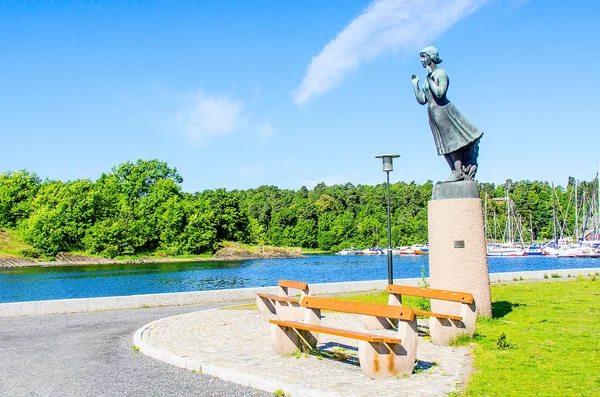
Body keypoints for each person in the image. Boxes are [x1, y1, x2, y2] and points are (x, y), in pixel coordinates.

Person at [411, 46, 483, 182]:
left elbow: (440, 93)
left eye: (423, 56)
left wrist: (431, 78)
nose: (421, 60)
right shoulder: (427, 80)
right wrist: (415, 85)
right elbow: (422, 100)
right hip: (433, 115)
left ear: (430, 57)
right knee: (443, 145)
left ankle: (458, 171)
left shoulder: (440, 73)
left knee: (452, 142)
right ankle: (454, 171)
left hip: (444, 113)